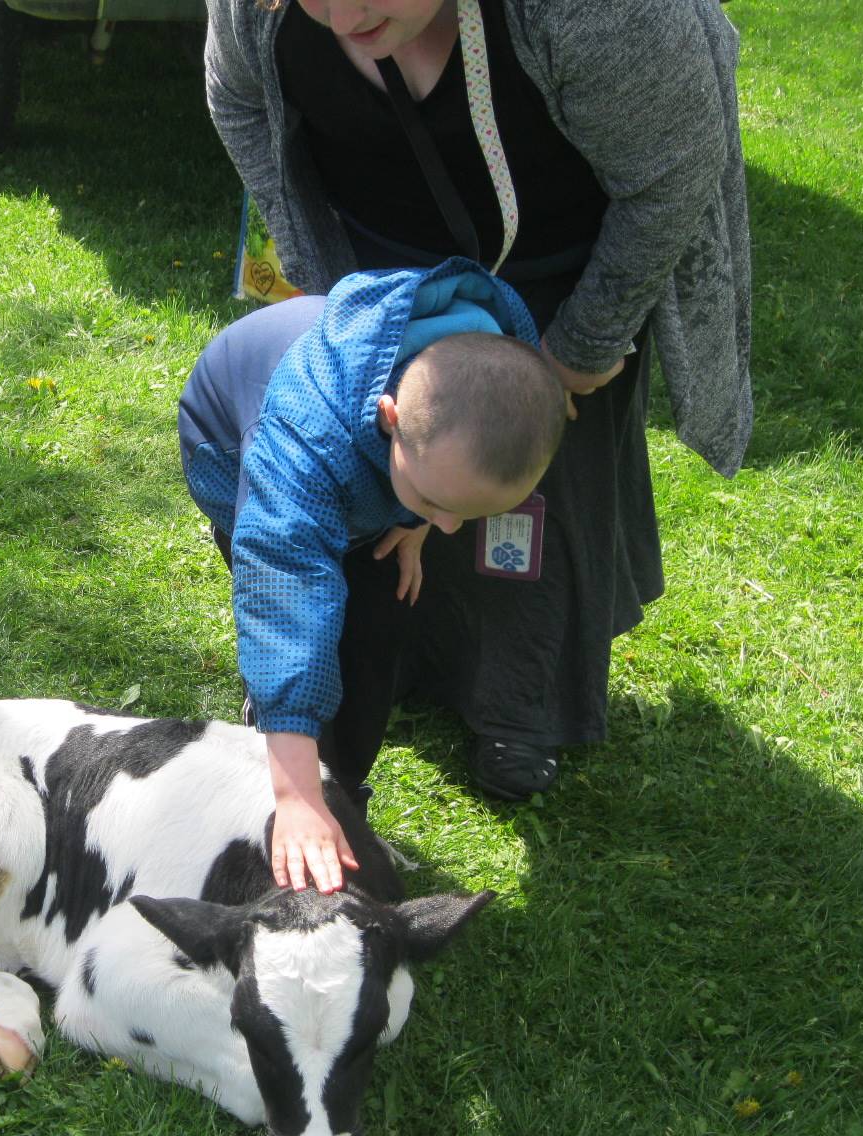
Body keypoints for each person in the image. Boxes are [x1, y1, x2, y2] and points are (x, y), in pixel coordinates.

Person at [203, 0, 752, 804]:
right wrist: (339, 301)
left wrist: (574, 353)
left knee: (522, 504)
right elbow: (238, 98)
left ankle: (518, 709)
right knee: (383, 503)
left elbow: (670, 173)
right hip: (382, 260)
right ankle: (381, 673)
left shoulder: (599, 16)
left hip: (559, 277)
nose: (345, 14)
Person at [180, 259, 565, 891]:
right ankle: (285, 776)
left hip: (368, 473)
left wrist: (414, 517)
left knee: (375, 629)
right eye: (435, 506)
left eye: (465, 514)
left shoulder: (492, 386)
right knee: (312, 631)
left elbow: (441, 484)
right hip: (232, 455)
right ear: (391, 418)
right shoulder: (296, 445)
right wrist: (296, 793)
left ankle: (341, 793)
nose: (447, 530)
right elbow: (285, 603)